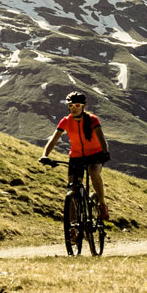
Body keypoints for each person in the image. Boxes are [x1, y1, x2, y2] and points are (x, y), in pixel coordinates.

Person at [39, 90, 110, 221]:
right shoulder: (66, 121)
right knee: (72, 187)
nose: (74, 108)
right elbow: (53, 140)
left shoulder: (92, 120)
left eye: (77, 105)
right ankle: (73, 227)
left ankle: (102, 204)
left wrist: (105, 152)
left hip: (95, 153)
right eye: (71, 105)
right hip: (76, 156)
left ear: (83, 106)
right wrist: (45, 155)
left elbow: (101, 138)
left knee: (93, 171)